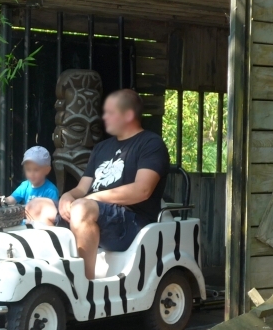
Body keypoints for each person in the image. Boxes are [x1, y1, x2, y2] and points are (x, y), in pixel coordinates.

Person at [28, 89, 170, 280]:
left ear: (128, 115)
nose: (104, 117)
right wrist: (67, 197)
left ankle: (83, 285)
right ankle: (57, 272)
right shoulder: (102, 148)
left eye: (110, 113)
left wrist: (90, 199)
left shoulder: (151, 144)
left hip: (132, 223)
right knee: (37, 206)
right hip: (91, 214)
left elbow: (142, 190)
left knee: (82, 208)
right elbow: (82, 188)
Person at [3, 146, 59, 224]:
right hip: (26, 224)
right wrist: (2, 201)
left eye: (36, 170)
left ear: (47, 170)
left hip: (42, 225)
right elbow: (11, 199)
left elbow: (53, 216)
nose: (32, 174)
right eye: (28, 170)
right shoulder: (25, 185)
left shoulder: (51, 190)